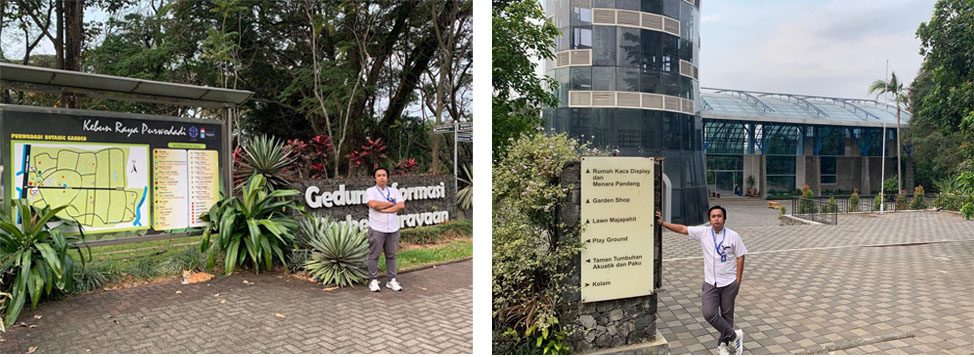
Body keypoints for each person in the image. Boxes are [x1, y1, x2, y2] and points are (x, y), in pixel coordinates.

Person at [656, 206, 747, 355]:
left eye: (719, 216)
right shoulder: (703, 233)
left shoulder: (733, 236)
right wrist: (662, 223)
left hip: (729, 283)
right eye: (713, 216)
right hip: (711, 283)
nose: (716, 219)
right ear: (709, 219)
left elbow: (740, 256)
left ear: (724, 218)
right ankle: (735, 336)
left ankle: (722, 345)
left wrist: (737, 281)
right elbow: (682, 229)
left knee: (727, 315)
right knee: (709, 313)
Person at [365, 167, 405, 292]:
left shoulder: (394, 191)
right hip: (377, 228)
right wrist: (390, 203)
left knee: (391, 255)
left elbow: (401, 205)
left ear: (387, 177)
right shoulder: (370, 191)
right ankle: (373, 280)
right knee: (374, 255)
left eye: (384, 175)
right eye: (379, 175)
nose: (382, 177)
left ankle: (391, 280)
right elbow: (373, 204)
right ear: (374, 178)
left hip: (393, 228)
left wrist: (384, 209)